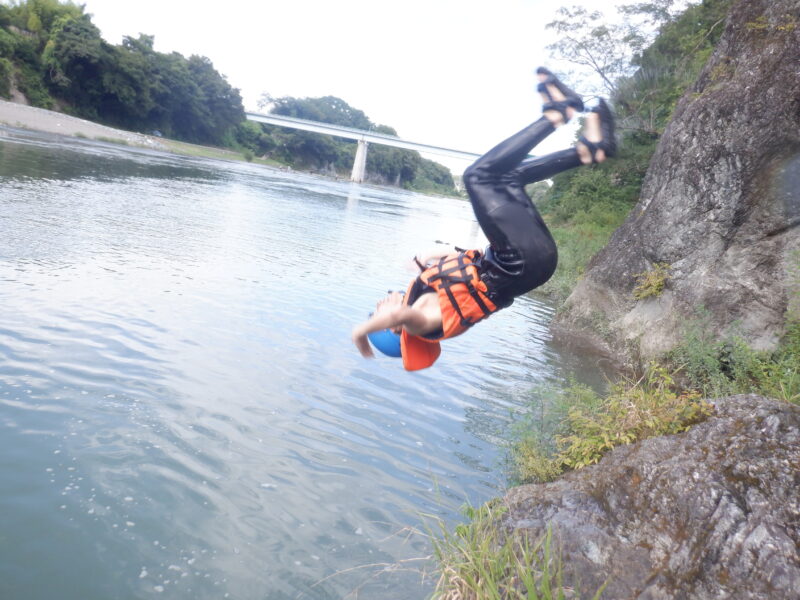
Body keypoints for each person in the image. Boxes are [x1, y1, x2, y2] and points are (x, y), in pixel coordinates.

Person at [352, 68, 616, 371]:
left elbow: (465, 265)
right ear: (393, 329)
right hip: (521, 262)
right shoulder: (421, 324)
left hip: (524, 264)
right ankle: (558, 112)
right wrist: (361, 332)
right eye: (376, 315)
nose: (378, 307)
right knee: (479, 176)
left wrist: (427, 258)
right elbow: (400, 316)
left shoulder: (425, 300)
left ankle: (589, 151)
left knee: (509, 178)